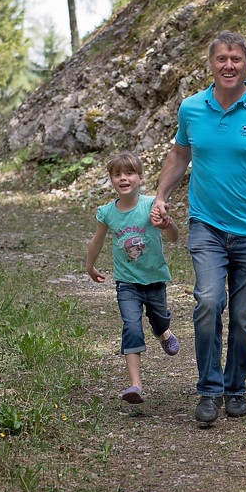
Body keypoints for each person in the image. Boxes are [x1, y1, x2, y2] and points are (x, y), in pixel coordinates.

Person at [150, 31, 246, 424]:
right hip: (207, 226)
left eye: (236, 59)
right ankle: (210, 390)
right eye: (221, 59)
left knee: (244, 318)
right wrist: (160, 196)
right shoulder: (192, 109)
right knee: (209, 302)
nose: (228, 65)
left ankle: (236, 388)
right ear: (211, 64)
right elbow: (180, 154)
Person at [86, 151, 180, 404]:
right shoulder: (107, 212)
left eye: (129, 173)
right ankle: (135, 385)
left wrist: (167, 224)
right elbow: (97, 240)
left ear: (140, 177)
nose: (123, 178)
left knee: (159, 319)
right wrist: (90, 265)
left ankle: (163, 334)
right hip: (127, 283)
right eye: (117, 175)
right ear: (112, 180)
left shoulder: (151, 205)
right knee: (131, 326)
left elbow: (174, 238)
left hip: (154, 279)